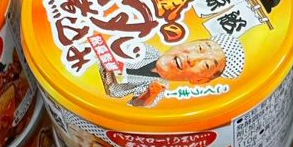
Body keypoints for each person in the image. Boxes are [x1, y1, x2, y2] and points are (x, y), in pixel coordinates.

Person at [103, 36, 245, 107]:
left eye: (206, 65)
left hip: (104, 94)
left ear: (200, 80)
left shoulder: (160, 87)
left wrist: (150, 93)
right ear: (186, 42)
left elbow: (136, 106)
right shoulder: (146, 49)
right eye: (200, 48)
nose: (192, 58)